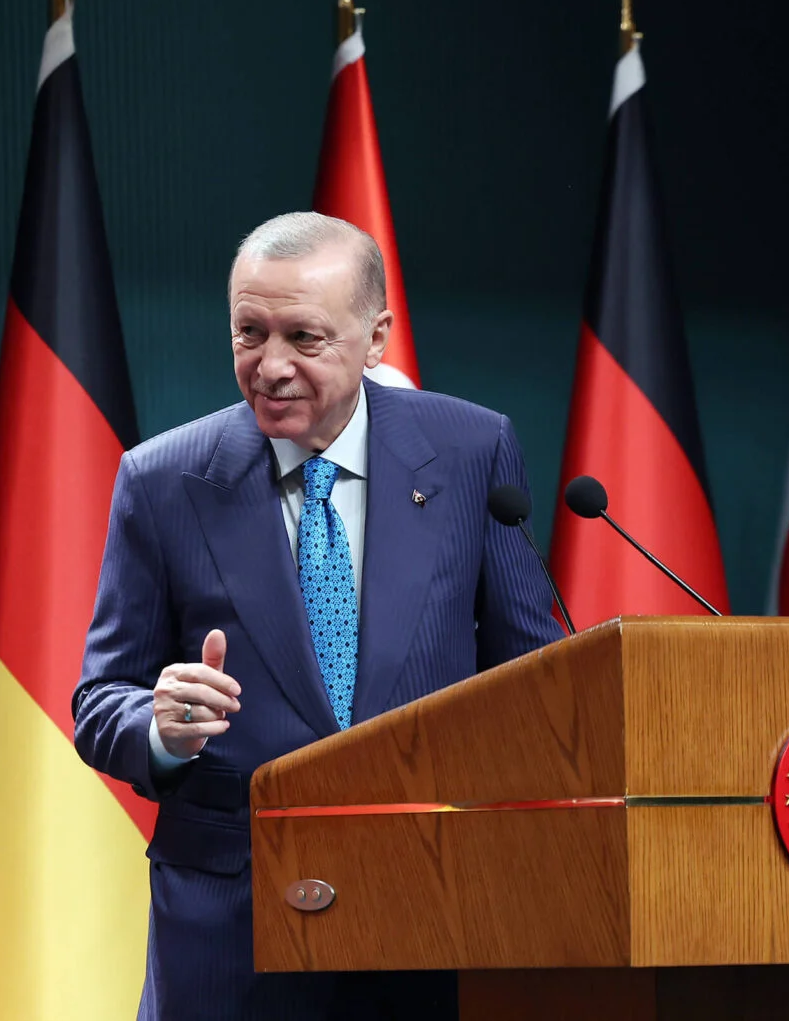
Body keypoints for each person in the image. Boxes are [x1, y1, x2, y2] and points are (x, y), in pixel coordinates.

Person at [73, 212, 560, 1021]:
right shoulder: (162, 481)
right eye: (249, 333)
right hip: (231, 936)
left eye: (303, 337)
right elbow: (99, 702)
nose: (270, 366)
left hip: (429, 915)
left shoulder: (472, 452)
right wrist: (161, 728)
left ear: (376, 338)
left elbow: (537, 680)